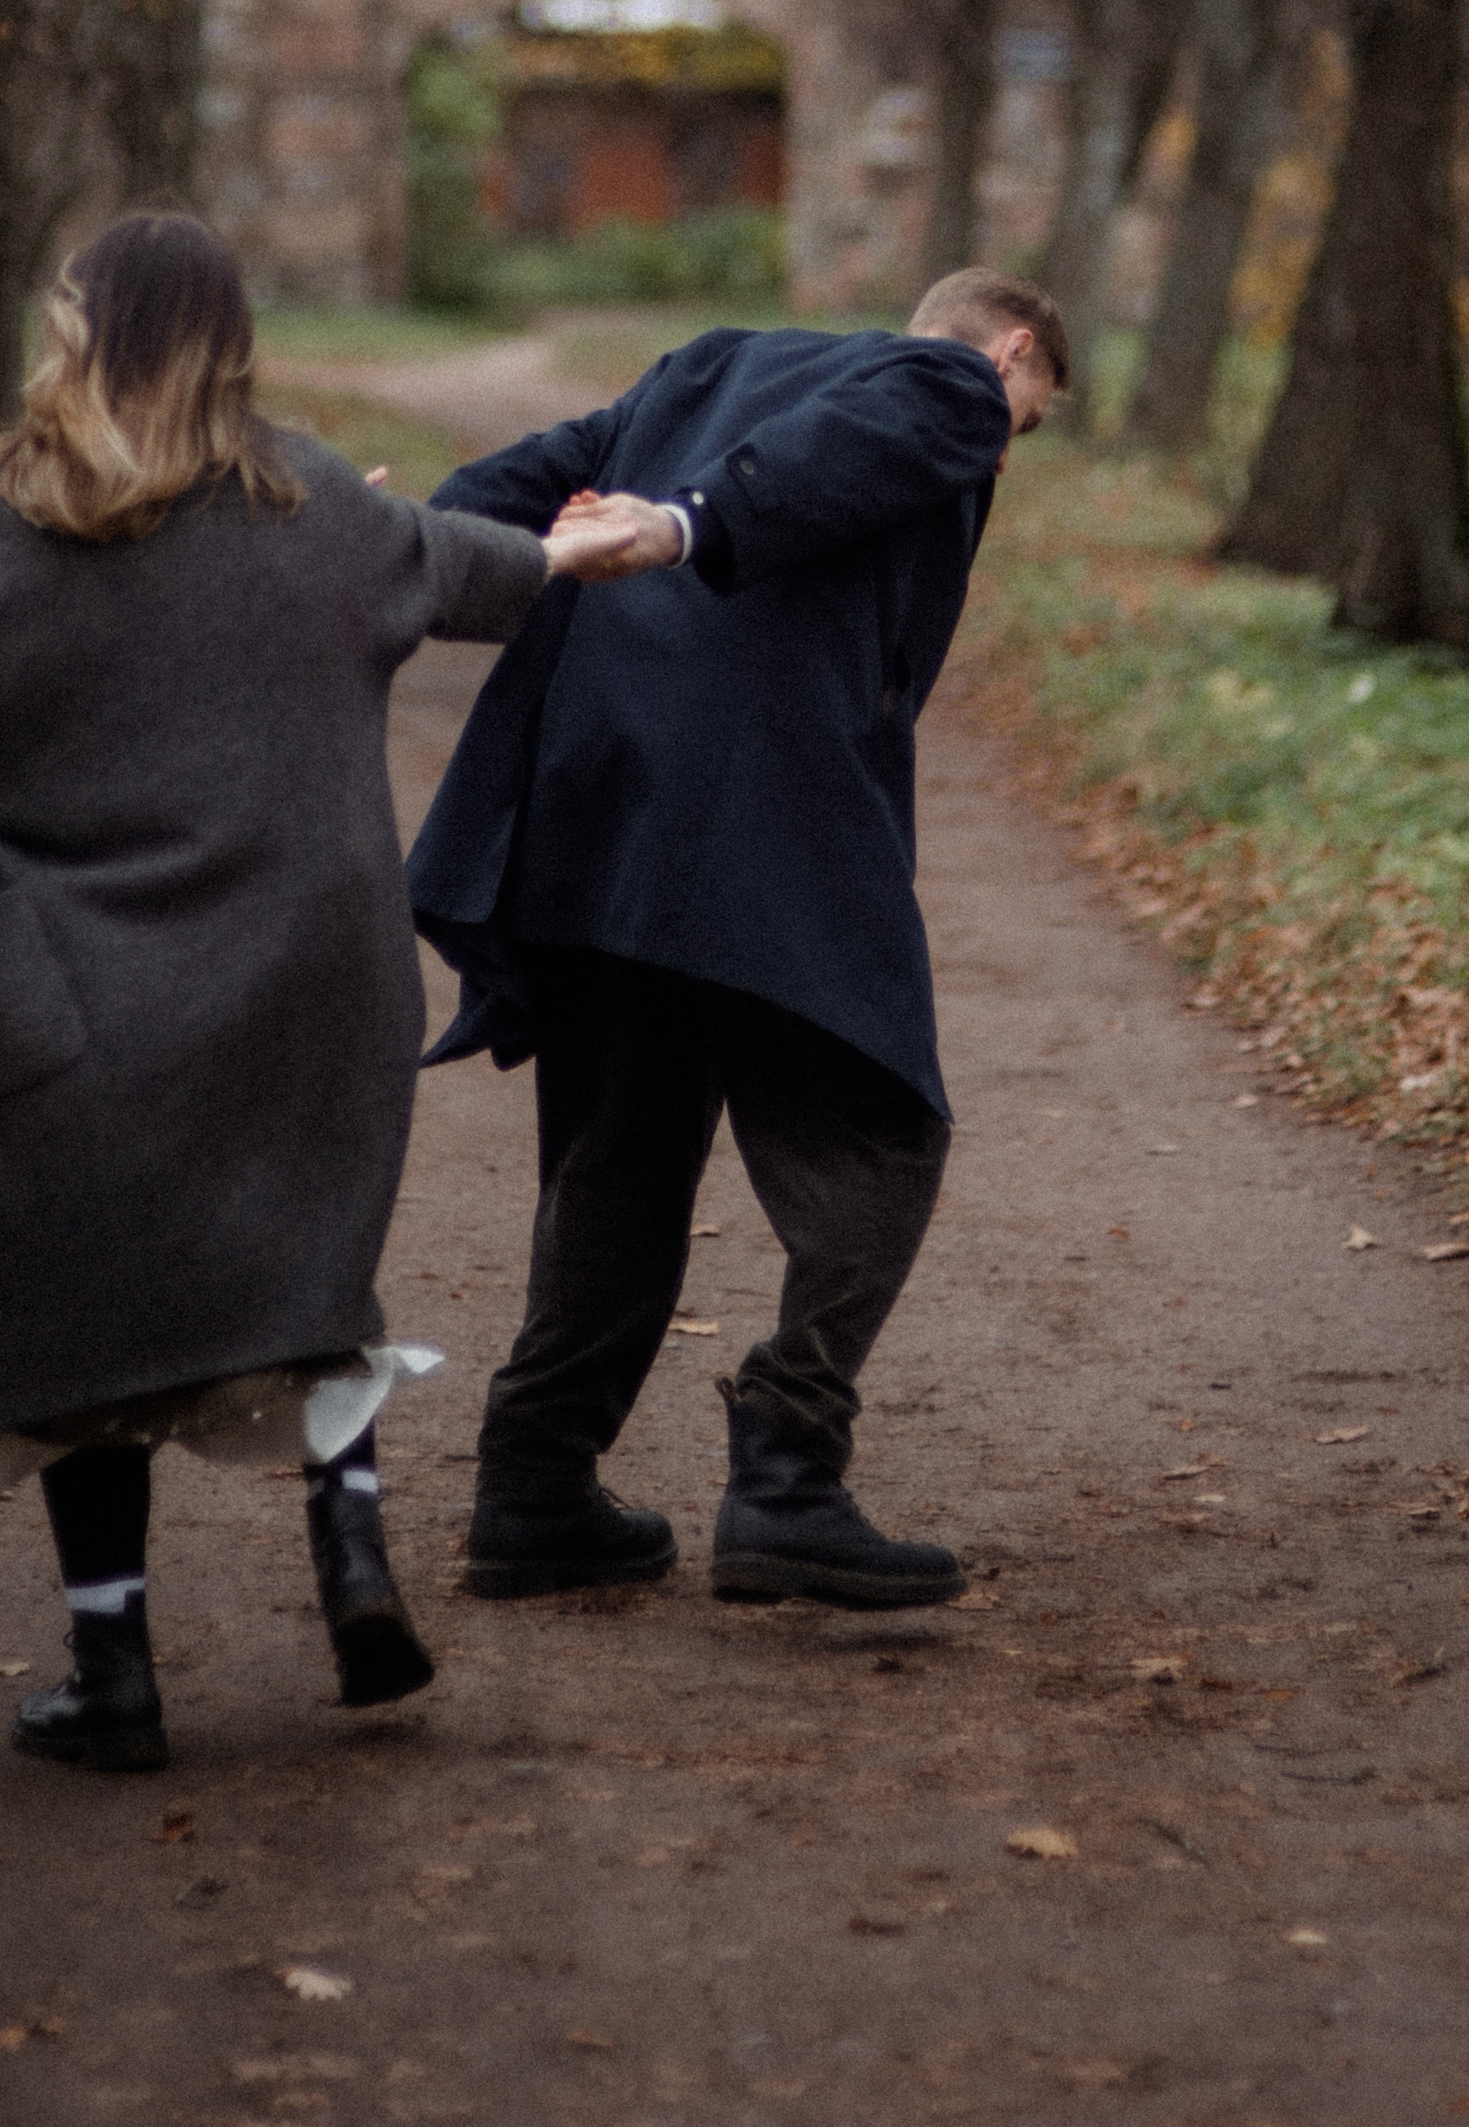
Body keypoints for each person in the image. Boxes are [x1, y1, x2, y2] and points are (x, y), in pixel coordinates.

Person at [0, 212, 672, 1774]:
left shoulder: (30, 521)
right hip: (306, 979)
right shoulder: (317, 496)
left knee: (91, 1346)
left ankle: (116, 1675)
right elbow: (465, 570)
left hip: (98, 997)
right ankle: (351, 1571)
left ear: (84, 331)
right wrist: (585, 547)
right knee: (304, 1289)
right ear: (230, 339)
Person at [406, 265, 1066, 1612]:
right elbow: (854, 448)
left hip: (591, 814)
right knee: (885, 1128)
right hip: (757, 817)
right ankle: (787, 1478)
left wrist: (384, 547)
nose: (1006, 448)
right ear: (1013, 350)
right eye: (1033, 416)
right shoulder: (950, 383)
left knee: (622, 1157)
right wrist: (693, 524)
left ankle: (531, 1491)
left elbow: (522, 482)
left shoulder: (703, 365)